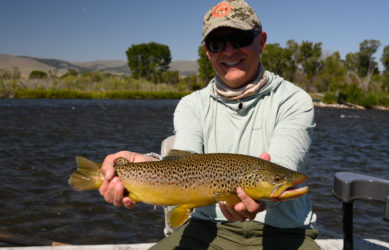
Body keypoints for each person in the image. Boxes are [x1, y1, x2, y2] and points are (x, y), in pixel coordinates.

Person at [100, 0, 320, 249]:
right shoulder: (191, 105)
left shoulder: (293, 99)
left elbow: (282, 169)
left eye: (239, 38)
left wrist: (264, 194)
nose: (228, 51)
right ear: (207, 51)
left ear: (261, 41)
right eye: (217, 44)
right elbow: (182, 166)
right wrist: (140, 164)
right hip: (205, 231)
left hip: (284, 233)